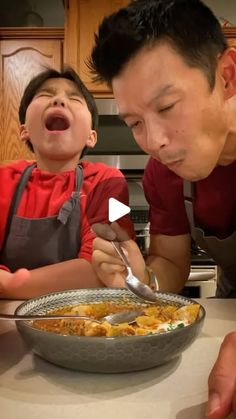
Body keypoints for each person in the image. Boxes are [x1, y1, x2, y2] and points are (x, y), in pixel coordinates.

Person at [88, 0, 236, 417]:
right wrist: (141, 276)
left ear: (226, 76)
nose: (153, 141)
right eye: (135, 122)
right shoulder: (164, 174)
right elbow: (172, 260)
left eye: (167, 107)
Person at [0, 67, 134, 299]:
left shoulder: (108, 181)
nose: (59, 100)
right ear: (24, 131)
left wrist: (12, 283)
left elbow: (100, 267)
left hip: (82, 320)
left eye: (74, 98)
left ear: (91, 136)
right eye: (44, 95)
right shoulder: (4, 178)